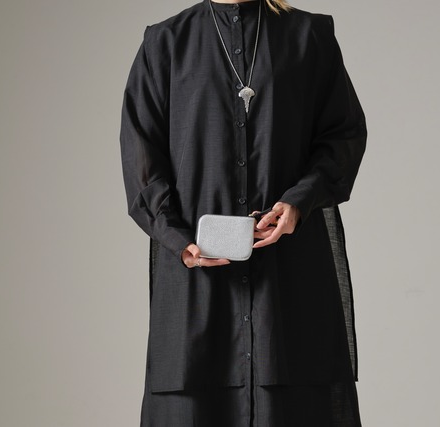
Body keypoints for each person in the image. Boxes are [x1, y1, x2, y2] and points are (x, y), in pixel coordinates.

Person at [119, 0, 367, 425]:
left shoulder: (309, 37)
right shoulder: (166, 43)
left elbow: (342, 136)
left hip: (289, 284)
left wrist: (298, 202)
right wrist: (180, 241)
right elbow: (141, 155)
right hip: (197, 285)